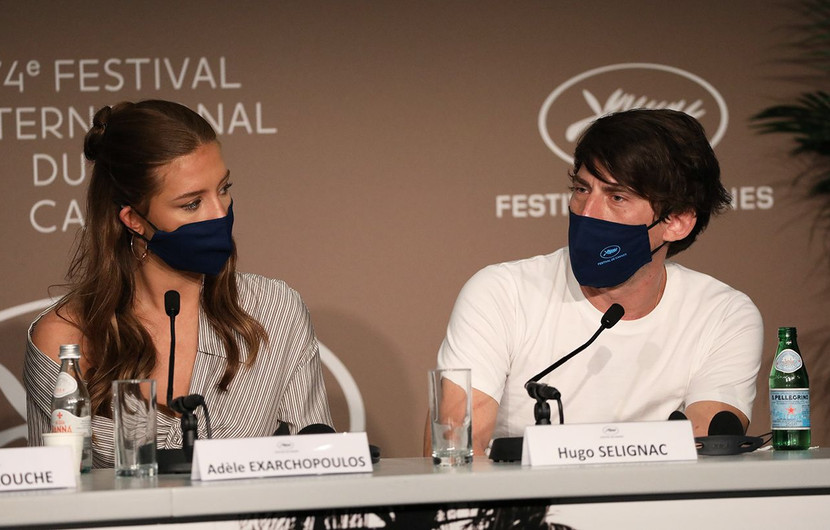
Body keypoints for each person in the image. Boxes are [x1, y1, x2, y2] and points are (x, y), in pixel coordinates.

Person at [431, 109, 763, 456]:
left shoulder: (723, 314)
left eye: (617, 197)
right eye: (581, 189)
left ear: (677, 221)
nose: (587, 212)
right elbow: (454, 450)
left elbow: (708, 448)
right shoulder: (501, 293)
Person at [24, 100, 332, 467]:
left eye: (224, 188)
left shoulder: (274, 311)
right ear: (133, 219)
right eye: (191, 204)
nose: (219, 212)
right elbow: (53, 487)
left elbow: (320, 467)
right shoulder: (65, 339)